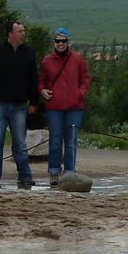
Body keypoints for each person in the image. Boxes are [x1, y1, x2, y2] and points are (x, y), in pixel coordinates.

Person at [0, 19, 39, 189]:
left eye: (23, 31)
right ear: (10, 34)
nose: (23, 34)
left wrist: (34, 101)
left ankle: (25, 176)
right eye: (20, 31)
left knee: (20, 142)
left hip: (19, 105)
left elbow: (32, 78)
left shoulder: (28, 52)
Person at [38, 27, 88, 187]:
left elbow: (85, 79)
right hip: (54, 107)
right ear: (54, 42)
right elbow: (41, 80)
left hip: (74, 107)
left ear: (69, 42)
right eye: (57, 41)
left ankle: (70, 172)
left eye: (63, 41)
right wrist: (42, 90)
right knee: (55, 140)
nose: (60, 44)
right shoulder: (47, 60)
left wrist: (80, 93)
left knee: (71, 141)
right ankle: (54, 172)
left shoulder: (78, 59)